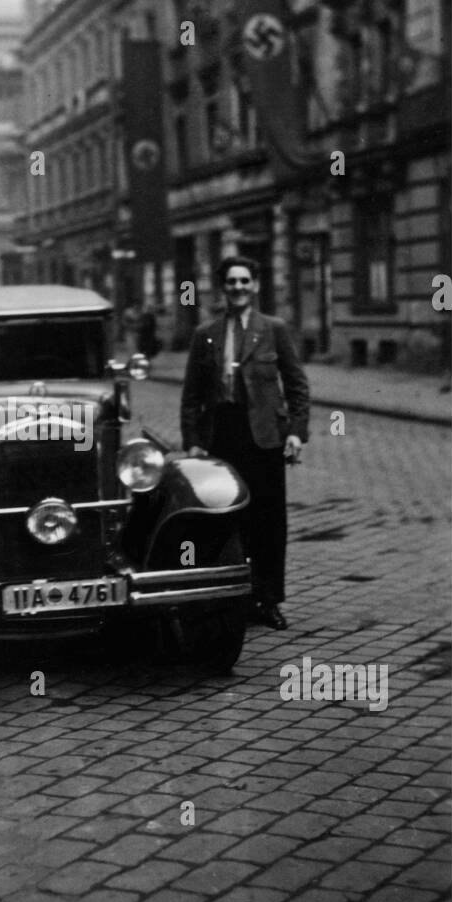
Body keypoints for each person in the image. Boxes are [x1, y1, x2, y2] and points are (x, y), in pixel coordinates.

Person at [180, 255, 310, 630]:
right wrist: (193, 442)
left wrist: (296, 433)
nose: (238, 288)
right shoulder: (205, 333)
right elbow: (191, 396)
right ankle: (225, 598)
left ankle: (267, 600)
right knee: (222, 518)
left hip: (264, 437)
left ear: (254, 285)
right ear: (223, 288)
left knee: (268, 522)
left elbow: (297, 384)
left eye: (244, 281)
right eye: (231, 282)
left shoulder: (274, 329)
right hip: (221, 434)